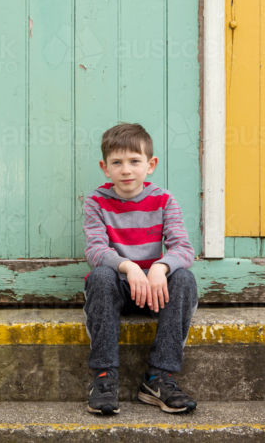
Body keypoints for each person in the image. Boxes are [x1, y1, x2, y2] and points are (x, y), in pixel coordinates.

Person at [82, 122, 198, 415]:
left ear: (150, 165)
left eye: (135, 161)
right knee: (100, 276)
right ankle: (104, 377)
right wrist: (128, 266)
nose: (126, 170)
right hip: (119, 289)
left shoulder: (164, 200)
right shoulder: (96, 202)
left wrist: (160, 267)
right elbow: (95, 249)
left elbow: (184, 249)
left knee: (184, 278)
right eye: (117, 163)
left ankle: (159, 378)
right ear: (105, 168)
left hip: (155, 292)